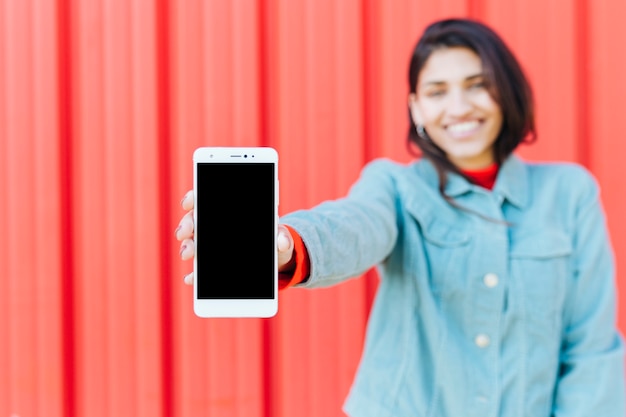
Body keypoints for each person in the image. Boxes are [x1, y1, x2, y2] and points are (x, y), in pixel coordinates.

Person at [175, 18, 625, 416]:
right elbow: (353, 226)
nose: (458, 107)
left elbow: (591, 349)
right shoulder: (395, 186)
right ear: (416, 109)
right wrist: (289, 244)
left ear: (506, 92)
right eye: (436, 91)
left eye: (477, 84)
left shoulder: (570, 193)